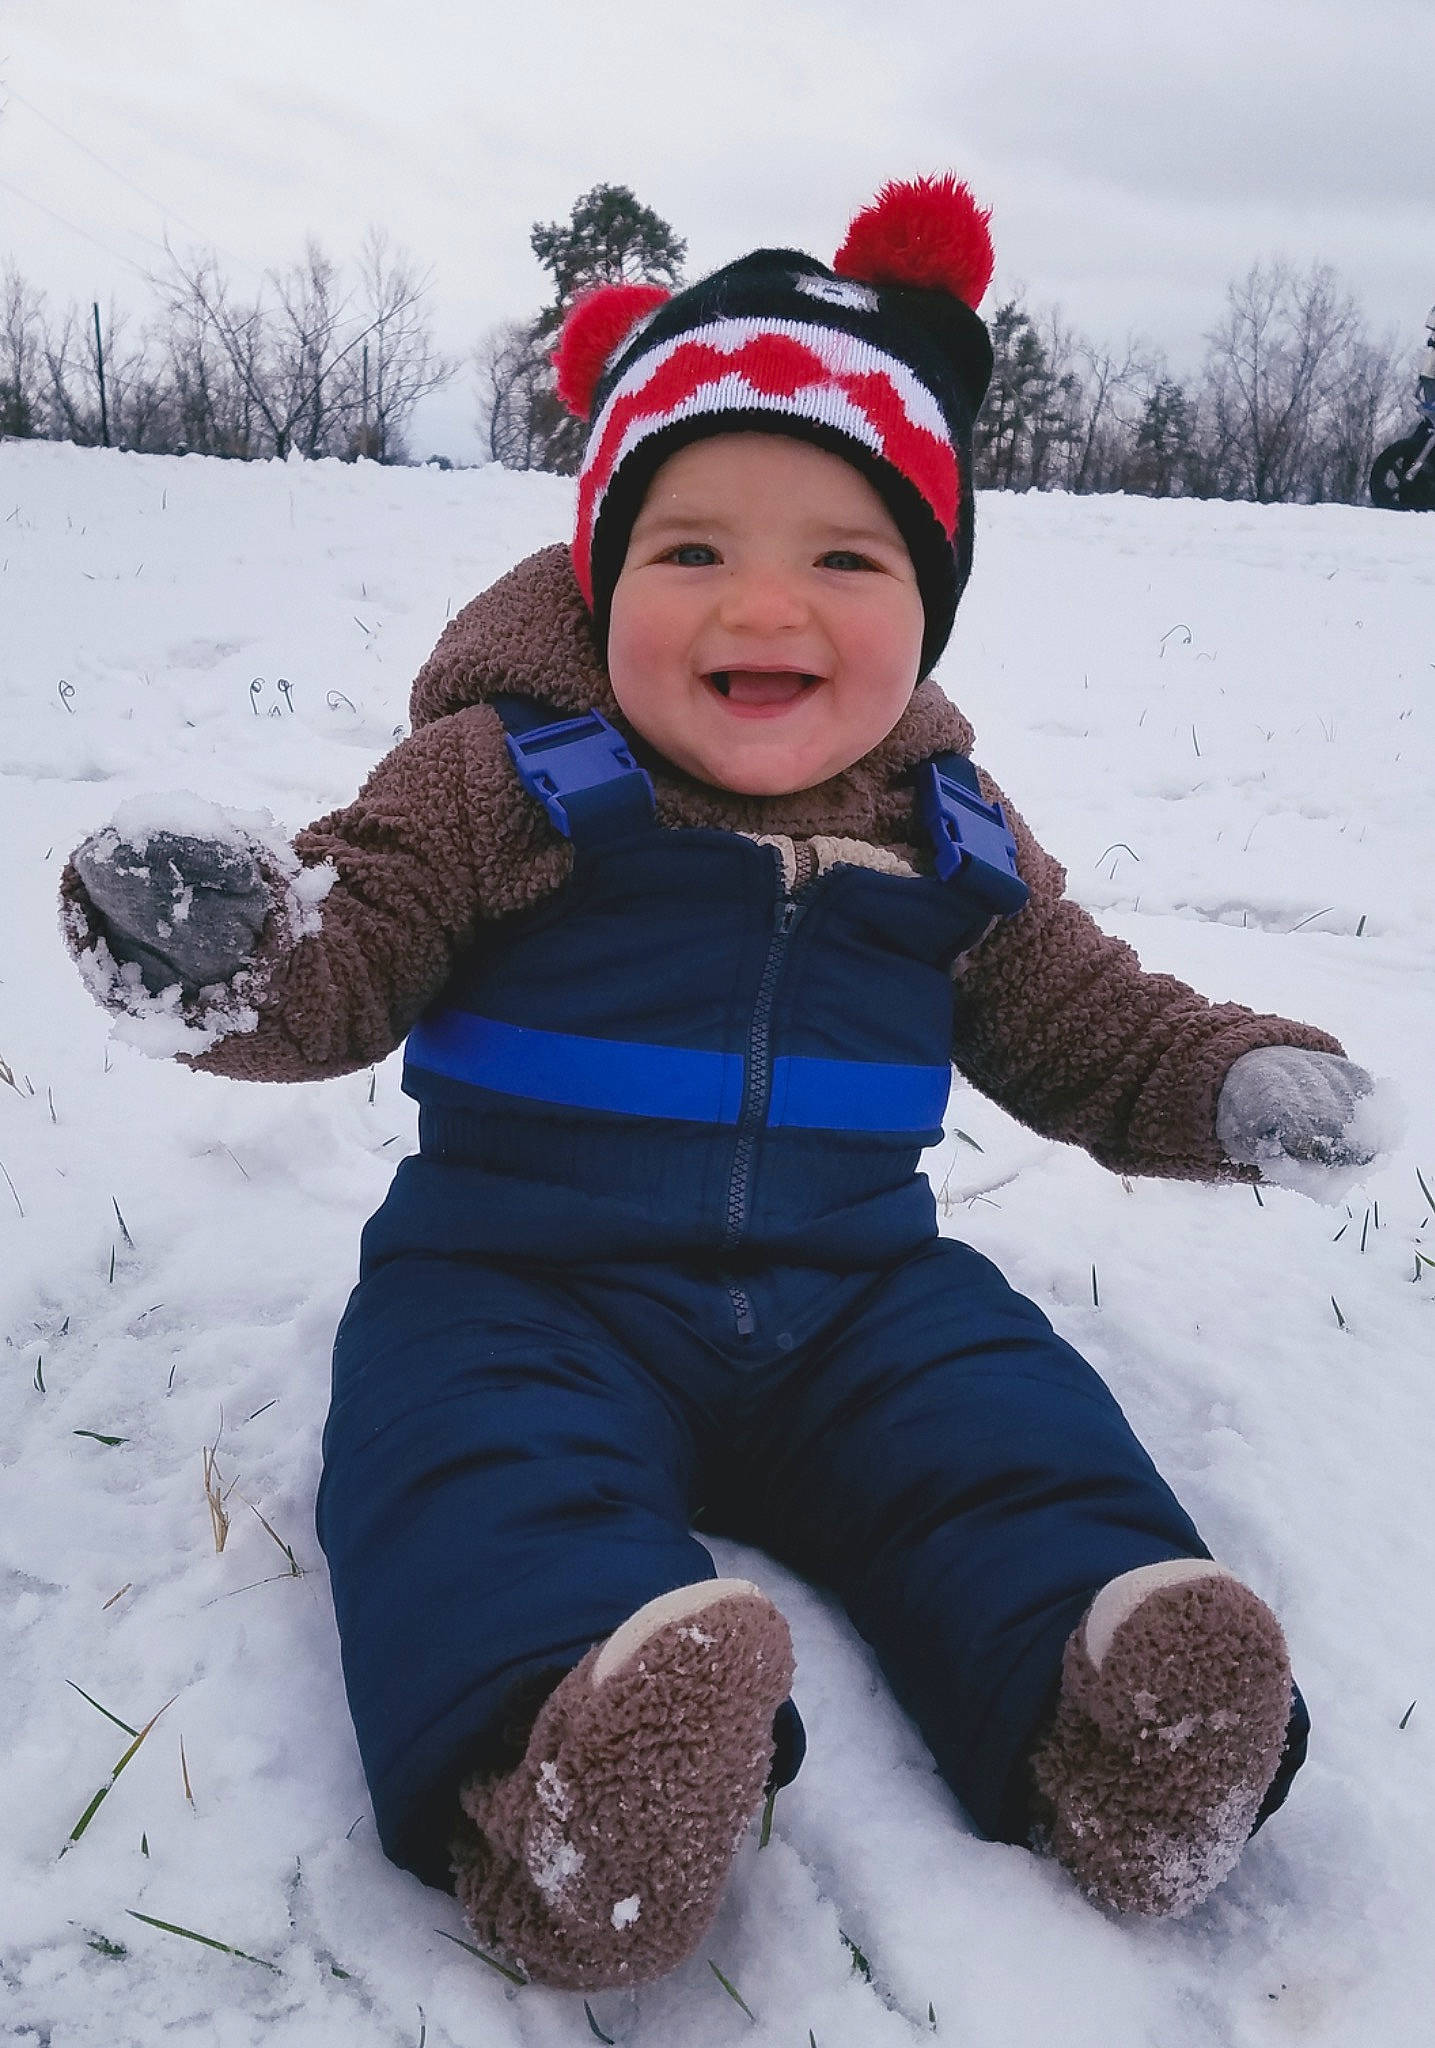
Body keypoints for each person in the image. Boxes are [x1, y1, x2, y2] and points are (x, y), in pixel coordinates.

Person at [60, 175, 1380, 1992]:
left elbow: (1086, 1015)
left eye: (845, 558)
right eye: (691, 552)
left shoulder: (956, 834)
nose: (764, 600)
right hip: (520, 1284)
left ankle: (1115, 1709)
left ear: (927, 608)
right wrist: (235, 953)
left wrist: (1221, 1076)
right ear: (601, 573)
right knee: (469, 1468)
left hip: (859, 1290)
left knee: (1003, 1430)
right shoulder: (499, 779)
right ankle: (565, 1770)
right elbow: (349, 945)